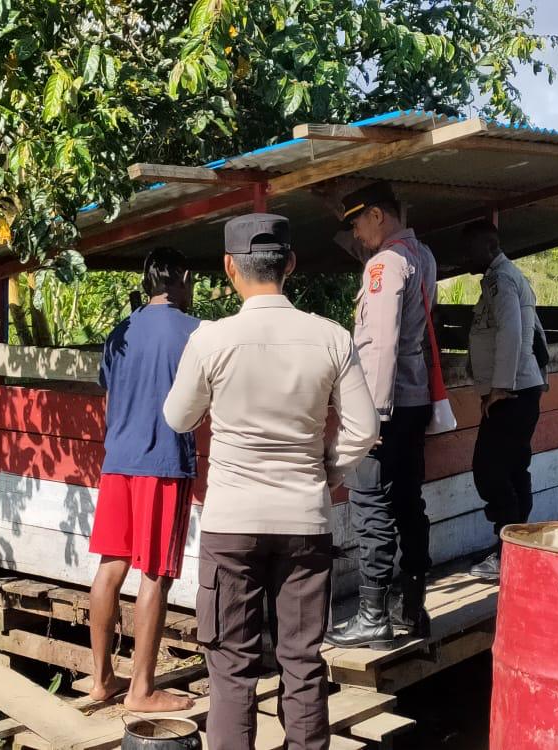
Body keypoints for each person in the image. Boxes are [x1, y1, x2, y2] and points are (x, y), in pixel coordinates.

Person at [164, 213, 379, 750]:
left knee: (231, 668)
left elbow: (177, 418)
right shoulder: (330, 337)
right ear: (292, 265)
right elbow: (365, 428)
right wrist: (326, 472)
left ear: (229, 268)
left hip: (231, 524)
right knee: (302, 662)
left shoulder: (211, 340)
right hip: (305, 520)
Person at [324, 181, 437, 650]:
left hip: (386, 403)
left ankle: (373, 614)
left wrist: (370, 416)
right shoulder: (421, 255)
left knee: (371, 502)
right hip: (414, 398)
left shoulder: (385, 264)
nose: (356, 233)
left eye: (357, 222)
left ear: (377, 215)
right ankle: (412, 603)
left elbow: (383, 341)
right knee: (408, 500)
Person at [87, 247, 200, 711]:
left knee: (110, 569)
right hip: (163, 465)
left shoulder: (122, 331)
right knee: (155, 575)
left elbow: (109, 396)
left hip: (117, 461)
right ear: (186, 278)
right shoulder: (196, 333)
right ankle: (141, 690)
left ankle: (101, 681)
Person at [462, 220, 547, 581]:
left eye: (469, 249)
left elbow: (513, 333)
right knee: (513, 469)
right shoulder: (507, 278)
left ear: (489, 247)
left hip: (510, 394)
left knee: (491, 470)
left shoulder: (501, 281)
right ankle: (513, 547)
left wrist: (499, 387)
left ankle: (506, 552)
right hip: (520, 390)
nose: (464, 257)